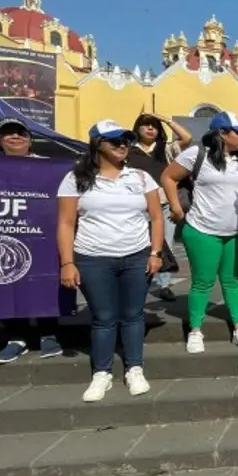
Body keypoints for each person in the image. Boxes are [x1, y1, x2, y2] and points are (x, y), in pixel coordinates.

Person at [57, 120, 164, 402]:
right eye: (114, 141)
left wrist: (155, 253)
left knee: (133, 315)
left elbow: (156, 217)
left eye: (125, 140)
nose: (122, 145)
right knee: (104, 318)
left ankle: (134, 368)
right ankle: (102, 373)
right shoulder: (75, 179)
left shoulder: (140, 178)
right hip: (93, 258)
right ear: (97, 144)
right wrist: (67, 263)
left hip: (136, 255)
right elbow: (67, 223)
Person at [160, 111, 238, 353]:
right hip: (203, 229)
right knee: (202, 282)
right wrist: (174, 206)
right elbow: (168, 177)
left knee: (232, 281)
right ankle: (195, 330)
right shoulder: (196, 154)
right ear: (222, 133)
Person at [0, 117, 64, 364]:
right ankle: (16, 338)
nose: (15, 137)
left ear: (30, 139)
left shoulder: (49, 165)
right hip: (3, 232)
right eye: (8, 133)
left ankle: (49, 334)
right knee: (6, 282)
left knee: (46, 280)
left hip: (43, 233)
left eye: (21, 133)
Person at [126, 112, 192, 301]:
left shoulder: (165, 149)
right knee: (138, 243)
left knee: (166, 244)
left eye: (154, 125)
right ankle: (138, 280)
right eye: (146, 125)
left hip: (163, 203)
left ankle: (164, 284)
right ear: (137, 128)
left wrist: (165, 119)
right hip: (137, 205)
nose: (150, 128)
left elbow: (187, 138)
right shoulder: (129, 151)